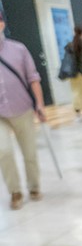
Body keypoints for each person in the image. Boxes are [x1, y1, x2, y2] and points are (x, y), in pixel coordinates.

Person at [0, 11, 46, 210]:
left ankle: (34, 186)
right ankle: (15, 191)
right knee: (3, 151)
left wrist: (40, 104)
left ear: (2, 24)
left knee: (29, 152)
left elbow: (33, 78)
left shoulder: (19, 49)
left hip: (22, 109)